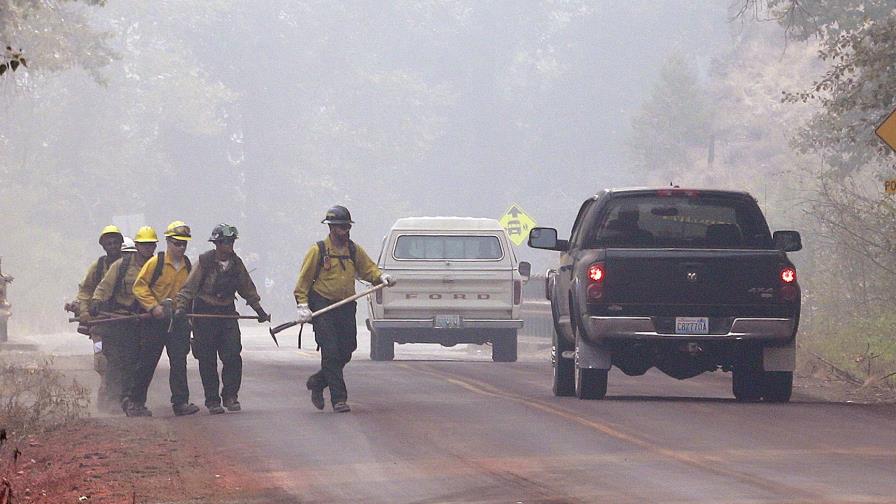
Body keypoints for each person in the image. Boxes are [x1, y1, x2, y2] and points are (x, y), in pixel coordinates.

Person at [293, 205, 394, 413]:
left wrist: (380, 277)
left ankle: (318, 382)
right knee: (330, 352)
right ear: (331, 228)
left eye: (347, 227)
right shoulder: (318, 250)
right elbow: (302, 281)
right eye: (340, 227)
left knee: (347, 350)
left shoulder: (354, 250)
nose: (345, 231)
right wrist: (302, 305)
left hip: (346, 305)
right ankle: (339, 399)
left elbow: (369, 269)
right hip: (323, 306)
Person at [175, 223, 270, 415]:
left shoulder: (236, 264)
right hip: (204, 314)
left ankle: (230, 396)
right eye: (226, 242)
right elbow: (189, 288)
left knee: (233, 355)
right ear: (217, 243)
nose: (229, 245)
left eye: (231, 241)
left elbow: (247, 288)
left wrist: (258, 309)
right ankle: (212, 400)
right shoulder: (204, 262)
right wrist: (180, 308)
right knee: (207, 359)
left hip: (227, 313)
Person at [130, 220, 199, 417]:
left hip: (178, 321)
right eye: (177, 243)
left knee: (179, 361)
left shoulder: (187, 265)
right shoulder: (156, 263)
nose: (181, 247)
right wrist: (153, 306)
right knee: (147, 361)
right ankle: (136, 402)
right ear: (168, 242)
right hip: (155, 321)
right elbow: (139, 286)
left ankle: (180, 403)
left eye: (184, 243)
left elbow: (192, 291)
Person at [89, 228, 158, 416]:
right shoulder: (121, 266)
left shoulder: (158, 266)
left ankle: (132, 400)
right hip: (121, 321)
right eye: (144, 245)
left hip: (146, 321)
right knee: (116, 362)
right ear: (137, 246)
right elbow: (104, 287)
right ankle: (114, 400)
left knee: (139, 363)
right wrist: (96, 302)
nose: (148, 249)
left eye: (151, 245)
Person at [74, 225, 123, 412]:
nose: (112, 245)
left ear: (120, 243)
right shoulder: (98, 267)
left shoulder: (131, 264)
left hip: (123, 321)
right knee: (101, 358)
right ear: (103, 246)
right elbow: (85, 290)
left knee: (123, 359)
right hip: (100, 326)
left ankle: (123, 397)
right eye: (108, 242)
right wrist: (85, 311)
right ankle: (106, 397)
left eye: (115, 242)